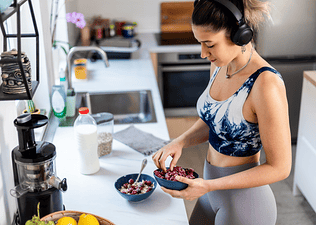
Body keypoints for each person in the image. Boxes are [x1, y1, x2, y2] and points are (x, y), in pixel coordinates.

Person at [152, 0, 292, 224]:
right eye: (200, 43)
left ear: (240, 36)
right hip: (210, 192)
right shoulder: (219, 65)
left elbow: (280, 168)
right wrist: (179, 142)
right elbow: (213, 121)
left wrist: (209, 185)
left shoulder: (265, 83)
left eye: (209, 44)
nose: (202, 53)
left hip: (246, 205)